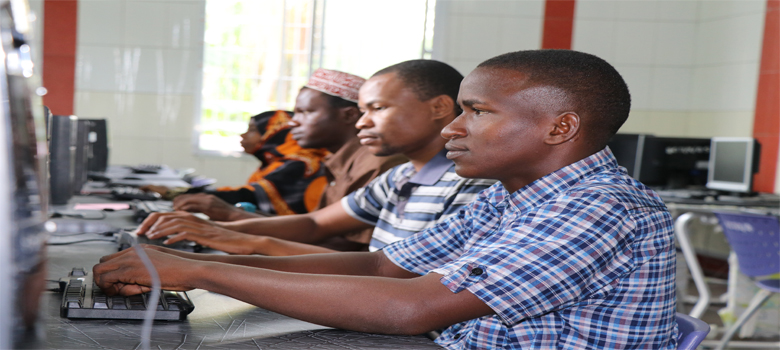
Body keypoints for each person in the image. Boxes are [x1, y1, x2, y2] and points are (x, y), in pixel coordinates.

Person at [94, 50, 677, 349]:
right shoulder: (512, 196)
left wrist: (202, 272)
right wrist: (205, 266)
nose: (455, 127)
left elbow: (414, 306)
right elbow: (385, 264)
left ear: (559, 127)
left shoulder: (597, 208)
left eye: (477, 112)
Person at [135, 59, 495, 256]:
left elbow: (389, 274)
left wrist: (244, 243)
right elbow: (316, 225)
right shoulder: (399, 178)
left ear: (438, 108)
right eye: (363, 109)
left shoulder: (472, 186)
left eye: (378, 109)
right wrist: (219, 230)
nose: (363, 121)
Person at [171, 69, 406, 234]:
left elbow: (338, 244)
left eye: (305, 112)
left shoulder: (377, 165)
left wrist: (230, 224)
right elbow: (312, 227)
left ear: (348, 115)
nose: (292, 123)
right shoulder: (337, 162)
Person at [145, 110, 330, 216]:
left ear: (274, 133)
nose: (243, 135)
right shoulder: (278, 162)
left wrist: (174, 193)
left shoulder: (301, 164)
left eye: (252, 130)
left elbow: (247, 196)